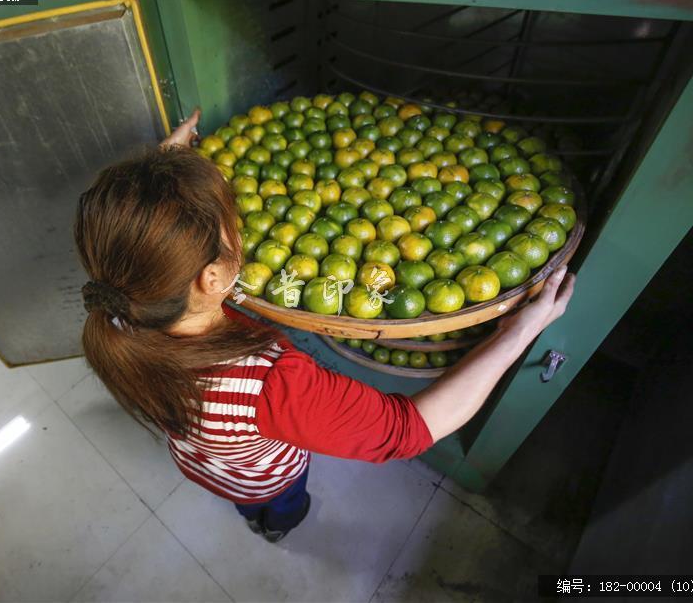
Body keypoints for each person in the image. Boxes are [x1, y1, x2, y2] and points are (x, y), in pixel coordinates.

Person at [74, 110, 576, 543]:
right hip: (267, 477)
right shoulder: (271, 387)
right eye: (235, 229)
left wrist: (169, 164)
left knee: (238, 493)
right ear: (212, 277)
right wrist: (520, 330)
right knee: (278, 503)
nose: (242, 232)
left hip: (201, 464)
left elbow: (134, 232)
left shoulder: (121, 302)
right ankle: (278, 524)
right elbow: (409, 431)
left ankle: (253, 514)